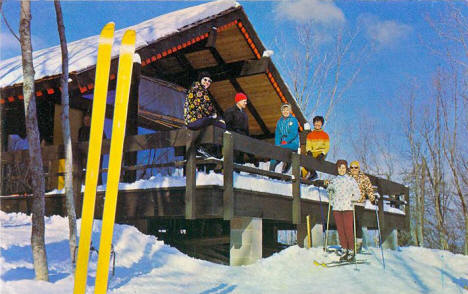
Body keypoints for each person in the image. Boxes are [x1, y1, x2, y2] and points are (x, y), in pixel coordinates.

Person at [326, 159, 361, 262]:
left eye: (344, 168)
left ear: (346, 169)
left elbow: (357, 193)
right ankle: (344, 249)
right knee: (340, 230)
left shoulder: (350, 180)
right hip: (337, 207)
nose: (342, 170)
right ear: (337, 169)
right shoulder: (334, 180)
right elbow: (330, 194)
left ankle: (351, 250)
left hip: (347, 207)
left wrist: (353, 198)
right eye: (340, 168)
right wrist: (330, 190)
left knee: (348, 229)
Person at [269, 103, 299, 173]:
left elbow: (293, 133)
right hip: (283, 144)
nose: (285, 112)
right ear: (281, 111)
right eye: (283, 110)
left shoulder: (293, 120)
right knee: (276, 151)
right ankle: (271, 172)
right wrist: (277, 144)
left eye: (287, 110)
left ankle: (286, 166)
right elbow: (278, 134)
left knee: (283, 149)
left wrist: (286, 141)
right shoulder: (280, 121)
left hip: (292, 143)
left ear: (290, 111)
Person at [224, 92, 251, 164]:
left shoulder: (245, 114)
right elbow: (228, 125)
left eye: (246, 101)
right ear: (239, 101)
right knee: (234, 159)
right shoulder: (230, 111)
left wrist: (248, 139)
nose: (246, 103)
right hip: (233, 138)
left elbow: (246, 128)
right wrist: (234, 135)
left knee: (240, 160)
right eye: (244, 101)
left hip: (243, 139)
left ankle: (238, 173)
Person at [302, 115, 329, 180]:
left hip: (320, 153)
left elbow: (327, 147)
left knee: (314, 161)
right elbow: (308, 145)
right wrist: (309, 151)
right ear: (314, 124)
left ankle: (313, 174)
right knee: (305, 160)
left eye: (319, 122)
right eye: (316, 122)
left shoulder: (325, 135)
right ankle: (304, 176)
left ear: (321, 124)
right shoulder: (310, 135)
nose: (317, 124)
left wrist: (322, 153)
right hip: (313, 152)